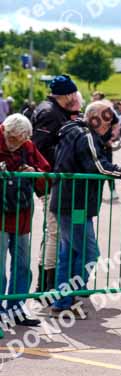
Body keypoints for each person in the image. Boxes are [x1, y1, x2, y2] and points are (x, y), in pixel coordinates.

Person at [49, 100, 121, 317]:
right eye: (107, 121)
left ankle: (63, 301)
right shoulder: (84, 134)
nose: (109, 126)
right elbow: (96, 166)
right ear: (96, 117)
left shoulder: (75, 131)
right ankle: (69, 297)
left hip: (70, 201)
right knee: (88, 252)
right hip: (75, 203)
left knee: (68, 253)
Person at [31, 74, 82, 293]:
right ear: (68, 94)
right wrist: (67, 155)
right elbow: (38, 147)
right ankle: (46, 285)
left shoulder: (53, 111)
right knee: (54, 232)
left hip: (53, 180)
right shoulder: (50, 113)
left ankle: (48, 283)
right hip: (51, 181)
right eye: (73, 93)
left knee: (54, 232)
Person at [0, 114, 51, 326]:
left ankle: (16, 308)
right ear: (5, 131)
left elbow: (45, 171)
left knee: (22, 265)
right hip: (1, 216)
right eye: (13, 140)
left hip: (21, 215)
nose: (16, 144)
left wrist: (34, 172)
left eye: (20, 140)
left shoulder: (27, 145)